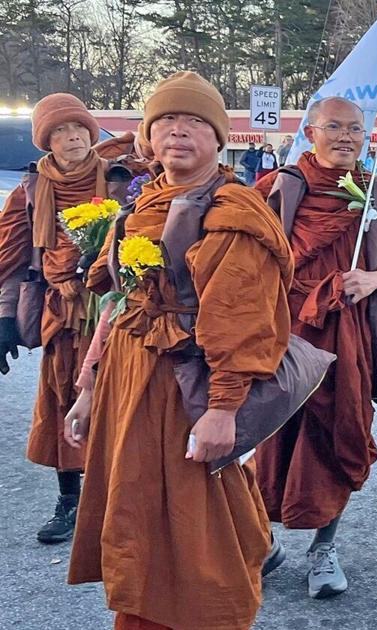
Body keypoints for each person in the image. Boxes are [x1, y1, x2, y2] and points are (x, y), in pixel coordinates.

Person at [64, 70, 288, 630]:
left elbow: (243, 319)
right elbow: (120, 306)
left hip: (188, 392)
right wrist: (90, 388)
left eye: (194, 121)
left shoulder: (232, 211)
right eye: (165, 119)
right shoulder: (143, 204)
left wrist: (224, 409)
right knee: (138, 515)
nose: (178, 131)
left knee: (199, 526)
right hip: (128, 382)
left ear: (218, 138)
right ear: (146, 135)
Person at [253, 96, 377, 599]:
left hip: (348, 337)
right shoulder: (275, 191)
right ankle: (260, 542)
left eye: (354, 129)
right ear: (310, 132)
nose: (344, 136)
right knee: (262, 438)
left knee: (341, 437)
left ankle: (323, 548)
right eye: (333, 126)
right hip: (281, 333)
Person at [0, 93, 130, 545]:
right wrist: (3, 320)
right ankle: (69, 501)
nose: (72, 137)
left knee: (118, 397)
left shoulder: (120, 174)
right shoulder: (29, 191)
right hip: (62, 311)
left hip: (113, 308)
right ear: (45, 141)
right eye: (59, 131)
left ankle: (117, 497)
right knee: (61, 400)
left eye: (78, 128)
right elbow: (11, 259)